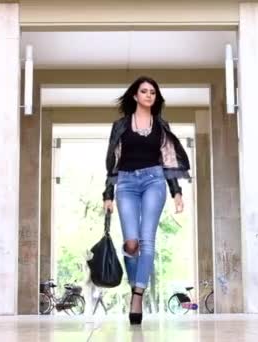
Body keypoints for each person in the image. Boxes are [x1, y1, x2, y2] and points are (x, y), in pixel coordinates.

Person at [102, 76, 190, 325]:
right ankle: (135, 285)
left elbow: (168, 159)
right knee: (131, 244)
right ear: (135, 96)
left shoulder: (161, 125)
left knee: (146, 239)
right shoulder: (120, 126)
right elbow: (113, 162)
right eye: (144, 91)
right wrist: (108, 194)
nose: (149, 95)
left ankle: (137, 296)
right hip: (127, 184)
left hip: (154, 180)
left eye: (153, 92)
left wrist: (176, 191)